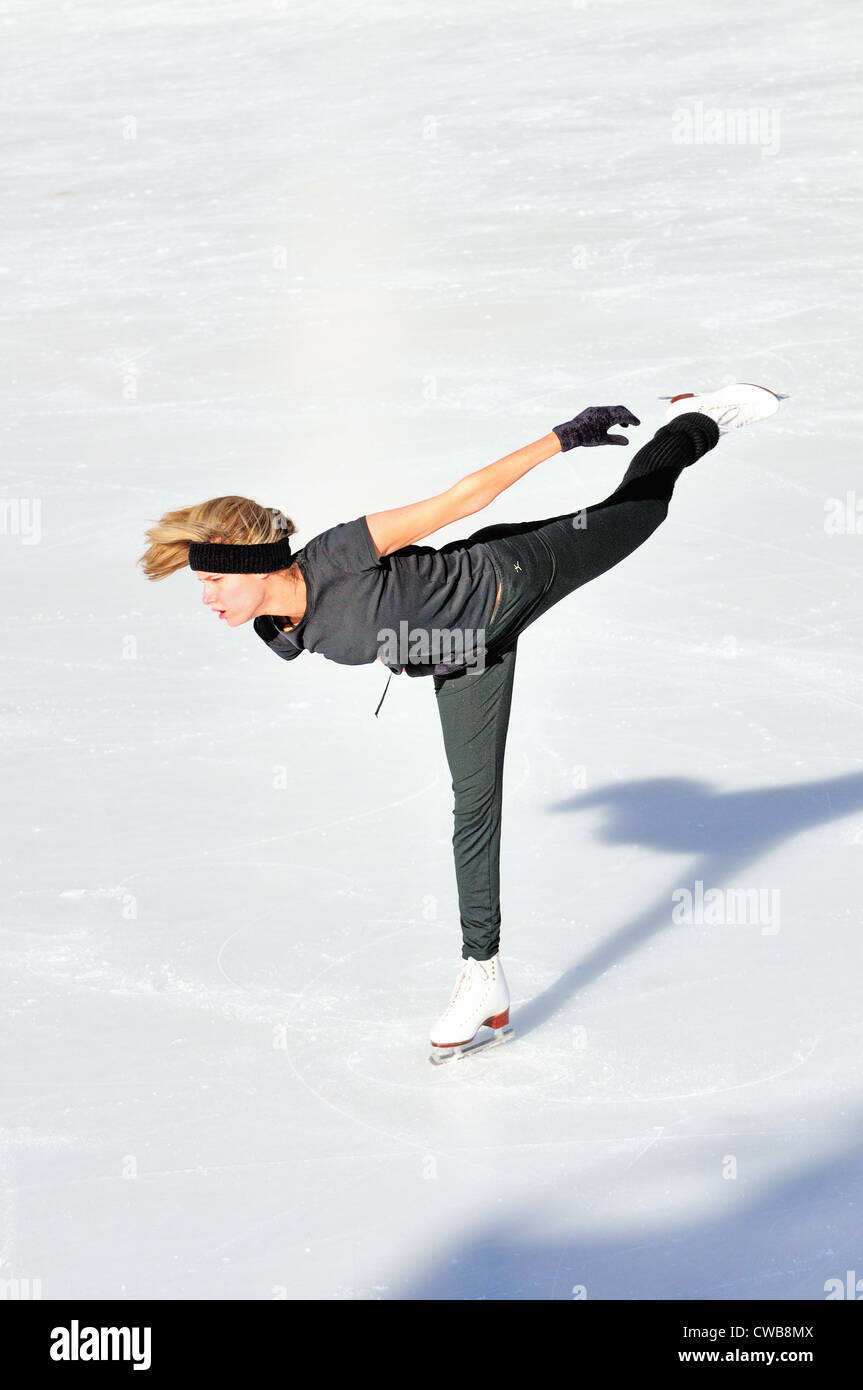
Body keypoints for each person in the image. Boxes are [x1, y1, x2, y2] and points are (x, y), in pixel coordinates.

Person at [138, 383, 785, 1061]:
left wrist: (563, 437)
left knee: (638, 510)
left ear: (251, 565)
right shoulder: (274, 628)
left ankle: (699, 417)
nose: (207, 598)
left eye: (213, 580)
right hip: (470, 656)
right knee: (473, 805)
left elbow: (459, 500)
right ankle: (482, 974)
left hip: (514, 573)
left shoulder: (335, 556)